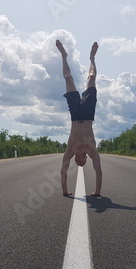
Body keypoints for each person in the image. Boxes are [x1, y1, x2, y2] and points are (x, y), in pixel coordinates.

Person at [56, 40, 102, 197]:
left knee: (68, 78)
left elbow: (63, 169)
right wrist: (97, 192)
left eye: (78, 161)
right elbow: (98, 171)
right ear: (86, 159)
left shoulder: (71, 150)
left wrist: (64, 191)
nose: (81, 159)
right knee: (91, 78)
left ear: (76, 157)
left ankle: (64, 55)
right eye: (83, 161)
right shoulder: (92, 150)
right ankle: (92, 58)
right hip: (88, 114)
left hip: (75, 115)